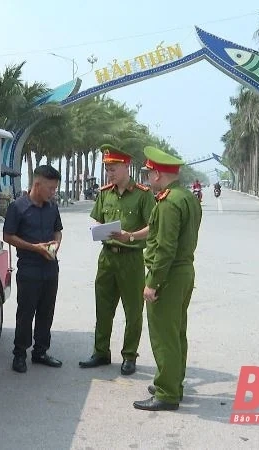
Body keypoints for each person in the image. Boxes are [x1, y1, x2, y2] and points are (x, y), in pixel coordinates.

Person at [132, 146, 202, 412]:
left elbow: (165, 247)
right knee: (176, 332)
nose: (148, 178)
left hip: (169, 274)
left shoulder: (168, 202)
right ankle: (173, 382)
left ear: (159, 175)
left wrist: (152, 283)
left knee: (164, 335)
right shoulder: (187, 197)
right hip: (183, 271)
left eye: (149, 174)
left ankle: (167, 392)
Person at [79, 144, 155, 376]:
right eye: (107, 169)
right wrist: (99, 229)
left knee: (133, 311)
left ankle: (129, 356)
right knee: (103, 308)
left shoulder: (143, 194)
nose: (109, 173)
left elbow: (153, 227)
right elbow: (96, 220)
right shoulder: (104, 193)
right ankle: (101, 352)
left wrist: (129, 236)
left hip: (131, 259)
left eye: (113, 168)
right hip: (107, 258)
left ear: (126, 167)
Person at [3, 165, 63, 373]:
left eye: (55, 188)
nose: (53, 192)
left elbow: (58, 230)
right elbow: (8, 236)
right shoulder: (18, 207)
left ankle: (40, 351)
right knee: (26, 313)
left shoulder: (52, 207)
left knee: (46, 312)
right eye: (50, 188)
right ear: (37, 185)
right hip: (29, 269)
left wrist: (55, 245)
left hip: (50, 268)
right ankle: (19, 354)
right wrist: (34, 248)